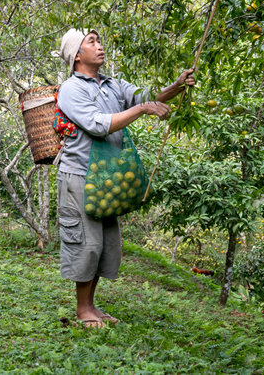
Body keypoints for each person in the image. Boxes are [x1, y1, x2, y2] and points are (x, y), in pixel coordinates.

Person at [57, 28, 195, 328]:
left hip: (105, 177)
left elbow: (147, 96)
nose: (100, 46)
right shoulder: (71, 89)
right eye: (91, 42)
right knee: (86, 243)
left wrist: (177, 85)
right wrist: (143, 109)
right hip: (79, 174)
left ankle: (92, 305)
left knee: (105, 244)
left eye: (99, 40)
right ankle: (83, 310)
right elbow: (99, 125)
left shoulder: (112, 84)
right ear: (77, 55)